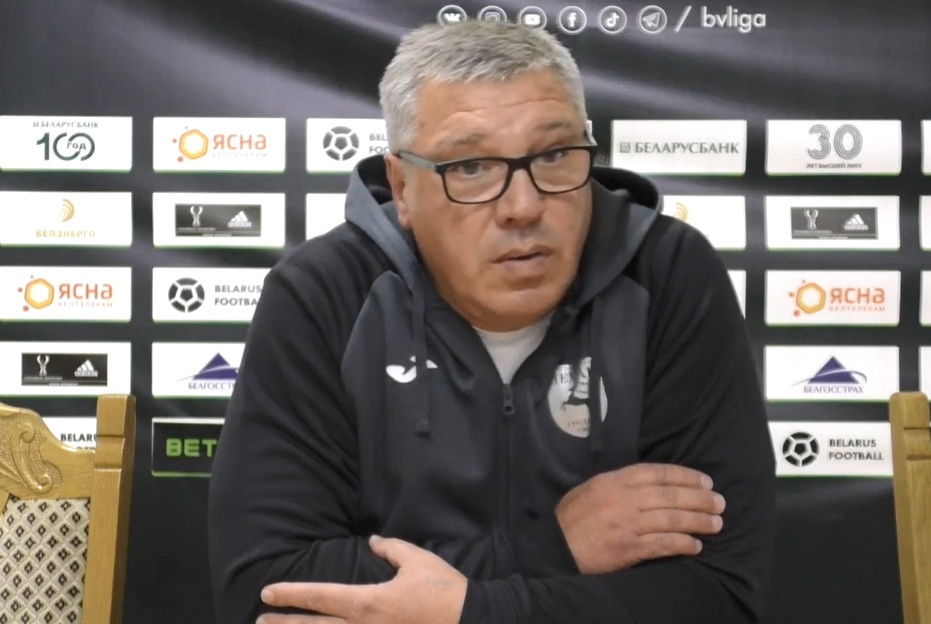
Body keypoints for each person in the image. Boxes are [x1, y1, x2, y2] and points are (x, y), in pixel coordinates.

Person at [207, 18, 776, 624]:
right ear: (402, 188)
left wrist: (467, 610)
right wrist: (548, 550)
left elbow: (718, 597)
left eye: (554, 155)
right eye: (471, 167)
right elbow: (267, 588)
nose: (523, 207)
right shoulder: (326, 293)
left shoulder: (666, 276)